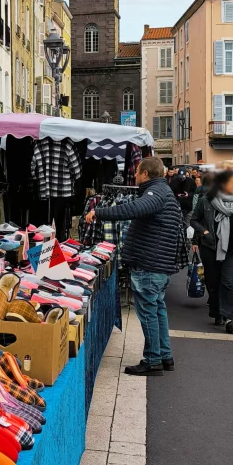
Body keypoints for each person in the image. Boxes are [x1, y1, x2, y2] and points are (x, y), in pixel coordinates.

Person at [86, 157, 183, 376]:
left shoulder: (155, 193)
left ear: (146, 174)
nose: (135, 176)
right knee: (157, 310)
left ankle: (153, 360)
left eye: (137, 172)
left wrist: (99, 212)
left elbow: (132, 209)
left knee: (149, 312)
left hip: (150, 265)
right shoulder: (163, 192)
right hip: (158, 264)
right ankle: (165, 355)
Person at [191, 170, 233, 333]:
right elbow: (194, 220)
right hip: (210, 248)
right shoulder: (205, 201)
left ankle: (230, 318)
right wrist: (204, 232)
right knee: (213, 283)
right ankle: (217, 313)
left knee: (229, 282)